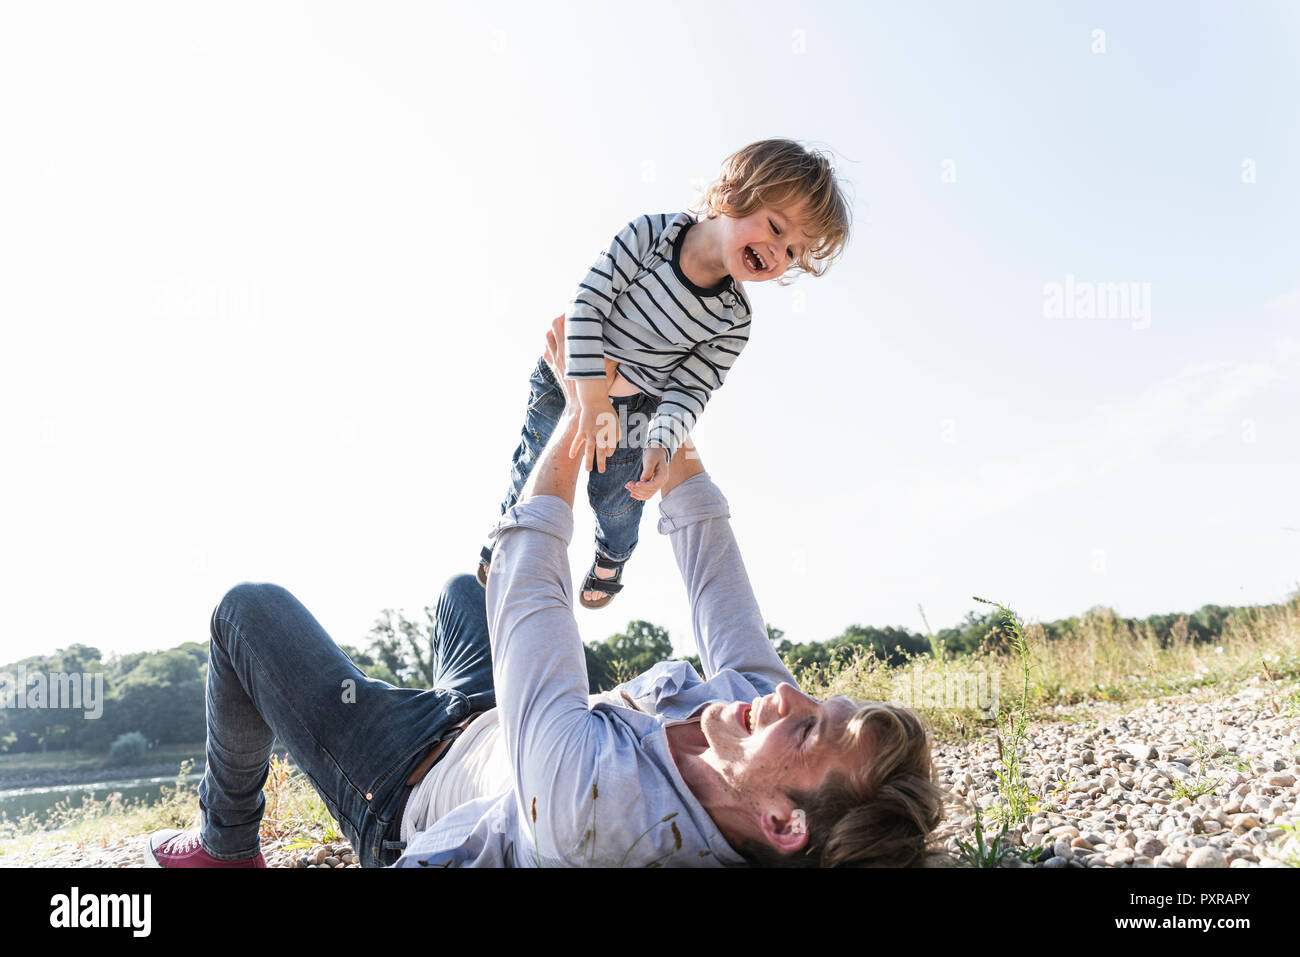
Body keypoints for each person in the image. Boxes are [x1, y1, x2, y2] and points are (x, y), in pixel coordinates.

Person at [148, 319, 940, 869]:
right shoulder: (758, 713)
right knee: (465, 592)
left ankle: (226, 846)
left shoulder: (599, 815)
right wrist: (667, 420)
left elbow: (532, 574)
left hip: (402, 785)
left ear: (781, 823)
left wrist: (578, 406)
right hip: (485, 723)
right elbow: (709, 554)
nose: (786, 698)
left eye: (804, 733)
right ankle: (459, 703)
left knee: (246, 612)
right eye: (819, 702)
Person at [479, 137, 852, 609]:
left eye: (793, 252)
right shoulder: (651, 235)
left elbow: (690, 390)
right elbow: (588, 305)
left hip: (637, 405)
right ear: (733, 194)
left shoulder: (733, 320)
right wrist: (591, 401)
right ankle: (508, 538)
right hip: (573, 372)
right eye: (776, 228)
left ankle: (612, 555)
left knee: (620, 496)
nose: (778, 252)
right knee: (533, 459)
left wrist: (661, 442)